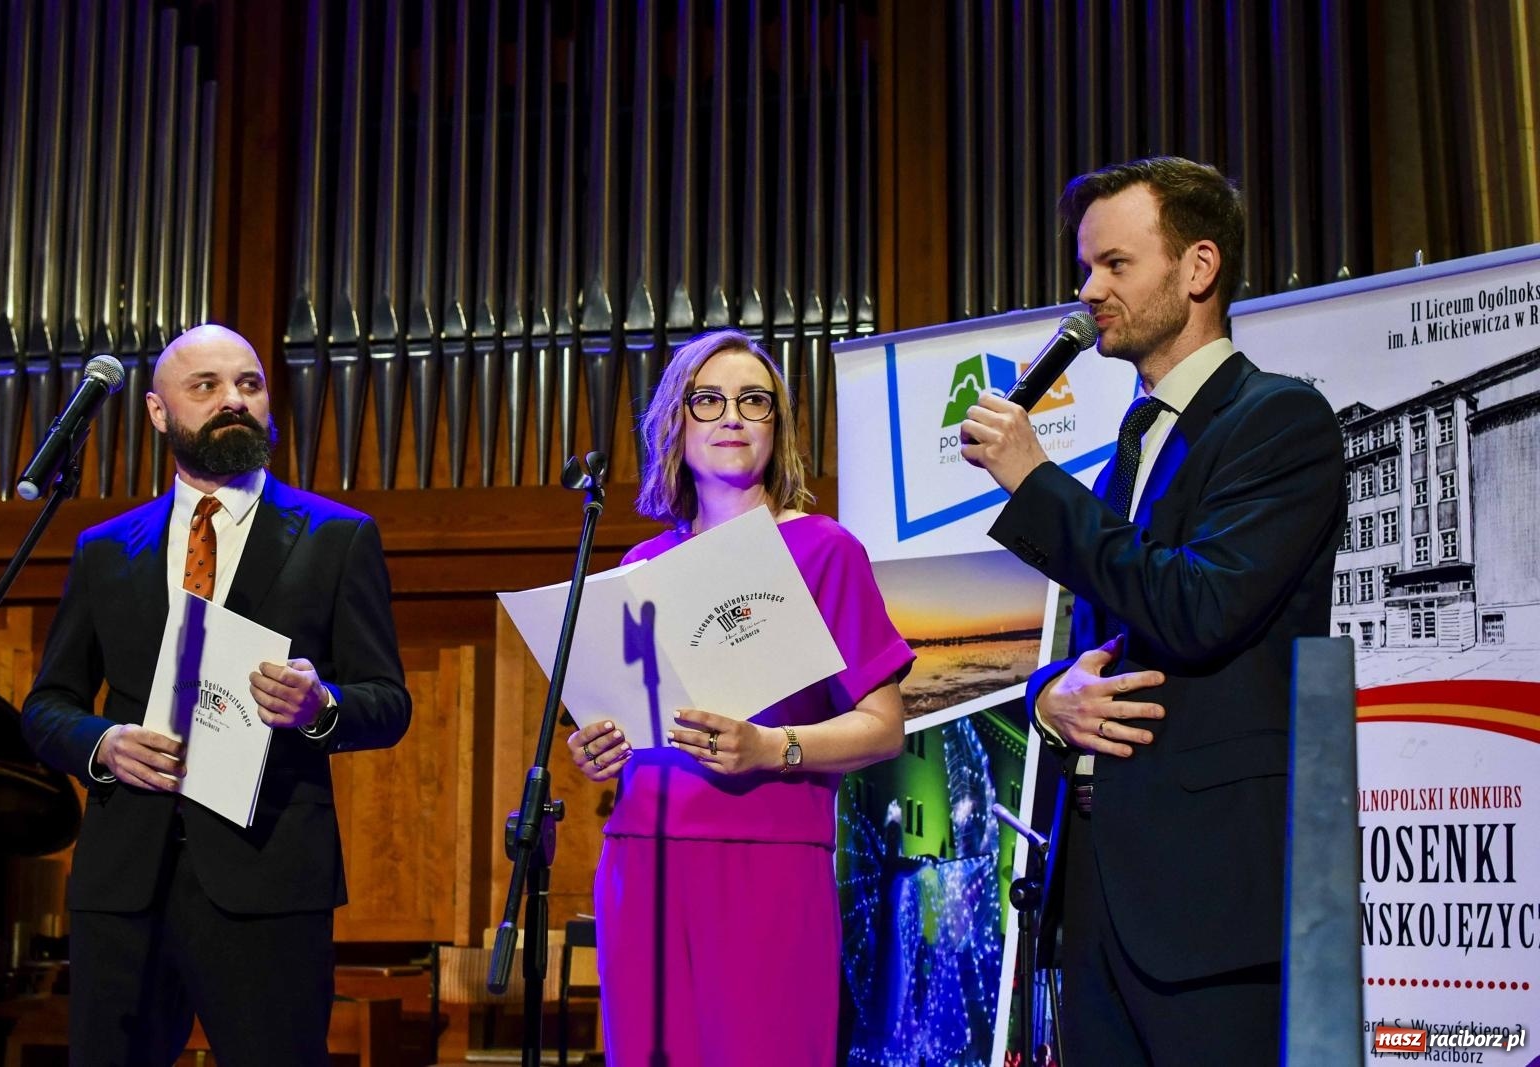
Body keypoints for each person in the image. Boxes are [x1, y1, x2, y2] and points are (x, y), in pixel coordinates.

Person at [960, 157, 1345, 1065]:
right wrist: (1049, 696)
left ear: (1198, 268)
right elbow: (1106, 639)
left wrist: (1032, 480)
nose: (1088, 289)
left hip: (1208, 903)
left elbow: (1199, 607)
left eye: (1115, 265)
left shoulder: (1279, 420)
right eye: (1086, 266)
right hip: (1101, 901)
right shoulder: (1132, 447)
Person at [20, 324, 412, 1066]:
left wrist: (321, 706)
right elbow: (48, 706)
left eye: (250, 384)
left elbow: (388, 700)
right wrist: (101, 743)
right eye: (206, 387)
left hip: (268, 878)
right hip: (124, 883)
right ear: (158, 412)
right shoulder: (106, 548)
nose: (234, 399)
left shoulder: (337, 536)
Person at [564, 329, 914, 1066]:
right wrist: (600, 746)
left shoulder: (824, 549)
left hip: (768, 860)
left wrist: (771, 746)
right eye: (709, 400)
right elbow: (631, 718)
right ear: (677, 423)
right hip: (643, 858)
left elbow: (885, 727)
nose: (731, 416)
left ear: (777, 426)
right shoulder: (643, 562)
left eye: (753, 401)